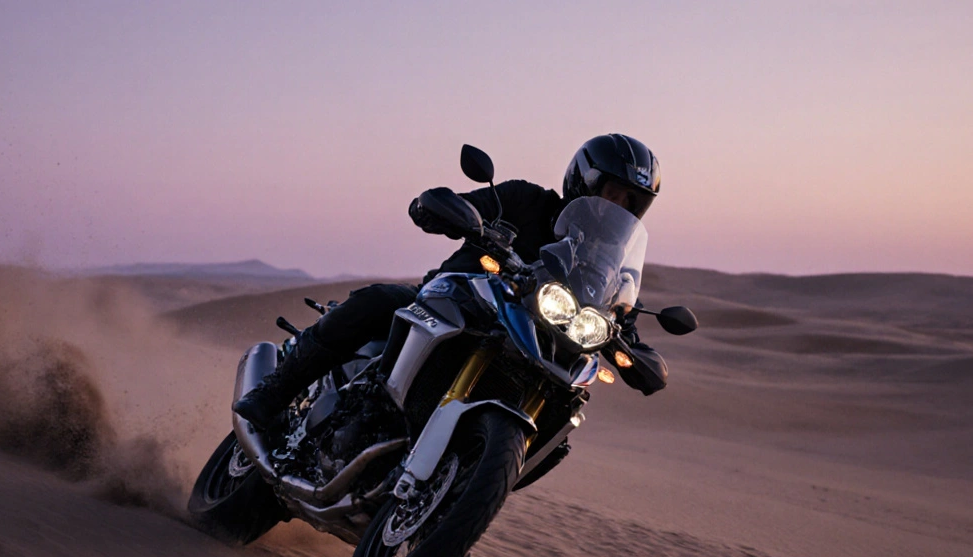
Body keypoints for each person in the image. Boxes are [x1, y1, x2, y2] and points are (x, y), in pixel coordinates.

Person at [233, 134, 664, 430]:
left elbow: (619, 317)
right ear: (584, 180)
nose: (619, 205)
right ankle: (275, 392)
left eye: (631, 202)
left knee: (565, 409)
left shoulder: (608, 266)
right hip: (452, 302)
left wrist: (639, 355)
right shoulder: (526, 200)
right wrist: (445, 210)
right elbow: (459, 206)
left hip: (527, 346)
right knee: (379, 300)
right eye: (613, 192)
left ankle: (458, 495)